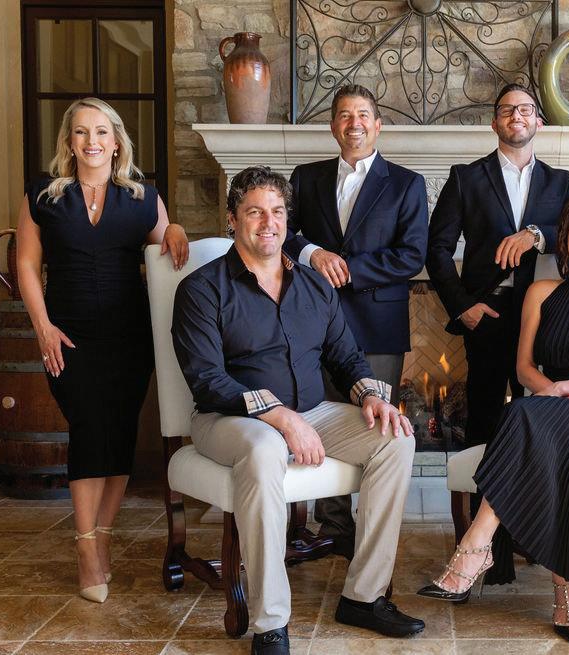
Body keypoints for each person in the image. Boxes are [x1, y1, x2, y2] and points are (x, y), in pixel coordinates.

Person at [171, 166, 424, 655]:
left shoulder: (314, 286)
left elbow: (346, 357)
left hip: (311, 413)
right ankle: (270, 623)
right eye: (255, 212)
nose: (268, 223)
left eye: (277, 212)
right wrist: (279, 417)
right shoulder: (201, 289)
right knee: (265, 448)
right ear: (232, 220)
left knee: (395, 437)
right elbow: (206, 379)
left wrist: (371, 396)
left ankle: (364, 597)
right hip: (228, 420)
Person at [418, 193, 569, 643]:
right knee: (531, 419)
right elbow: (523, 369)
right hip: (547, 408)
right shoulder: (541, 292)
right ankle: (564, 588)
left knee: (523, 415)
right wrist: (556, 392)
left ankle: (475, 546)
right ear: (564, 239)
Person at [16, 97, 189, 604]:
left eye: (100, 132)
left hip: (129, 336)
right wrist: (43, 328)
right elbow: (26, 264)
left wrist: (175, 226)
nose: (91, 141)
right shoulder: (42, 196)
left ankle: (103, 535)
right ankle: (86, 546)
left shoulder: (142, 197)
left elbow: (165, 243)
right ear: (69, 143)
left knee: (119, 434)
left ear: (116, 142)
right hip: (67, 335)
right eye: (81, 132)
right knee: (90, 428)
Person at [286, 84, 428, 558]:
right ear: (333, 126)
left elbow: (412, 255)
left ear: (378, 125)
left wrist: (347, 269)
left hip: (378, 325)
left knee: (378, 425)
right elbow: (283, 232)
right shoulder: (305, 178)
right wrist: (313, 252)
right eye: (345, 115)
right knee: (324, 419)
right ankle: (334, 528)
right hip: (314, 325)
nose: (355, 123)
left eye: (363, 114)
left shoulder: (407, 184)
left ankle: (372, 531)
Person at [426, 83, 569, 451]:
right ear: (495, 123)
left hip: (545, 314)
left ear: (538, 122)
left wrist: (535, 235)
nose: (516, 116)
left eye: (525, 109)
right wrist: (462, 306)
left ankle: (530, 486)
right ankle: (478, 490)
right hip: (487, 312)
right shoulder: (465, 178)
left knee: (540, 413)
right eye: (507, 110)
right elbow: (436, 249)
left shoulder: (561, 183)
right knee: (484, 417)